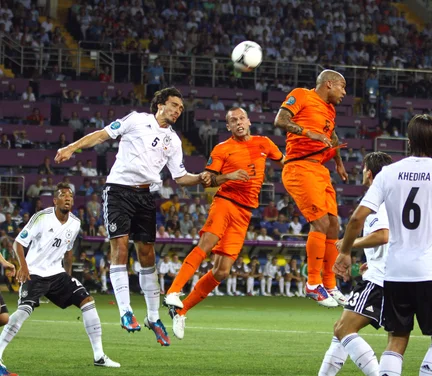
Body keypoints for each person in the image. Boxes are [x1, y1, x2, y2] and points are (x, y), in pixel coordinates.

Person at [334, 115, 432, 376]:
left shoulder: (389, 173)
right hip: (431, 271)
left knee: (396, 341)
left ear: (408, 143)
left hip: (395, 274)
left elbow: (358, 218)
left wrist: (345, 251)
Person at [54, 87, 206, 346]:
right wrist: (72, 146)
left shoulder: (174, 141)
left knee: (147, 256)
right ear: (159, 104)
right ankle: (125, 311)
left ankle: (153, 317)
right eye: (173, 105)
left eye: (181, 108)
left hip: (146, 196)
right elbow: (102, 135)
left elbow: (180, 177)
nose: (177, 110)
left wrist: (202, 177)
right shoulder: (136, 120)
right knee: (120, 249)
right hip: (118, 192)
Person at [282, 152, 392, 376]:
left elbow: (383, 235)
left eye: (364, 169)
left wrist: (348, 244)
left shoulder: (378, 200)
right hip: (382, 274)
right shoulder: (394, 199)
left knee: (344, 329)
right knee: (340, 330)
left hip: (380, 281)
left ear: (369, 173)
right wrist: (373, 258)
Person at [163, 107, 284, 339]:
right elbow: (209, 180)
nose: (238, 122)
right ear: (228, 126)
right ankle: (173, 291)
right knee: (207, 242)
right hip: (225, 202)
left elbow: (285, 162)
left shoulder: (264, 143)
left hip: (245, 212)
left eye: (241, 118)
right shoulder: (222, 149)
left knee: (222, 270)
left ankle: (181, 311)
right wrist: (228, 176)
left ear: (249, 121)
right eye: (232, 120)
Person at [0, 183, 120, 376]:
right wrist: (24, 266)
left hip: (57, 274)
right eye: (63, 196)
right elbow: (18, 243)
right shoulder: (41, 217)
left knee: (88, 302)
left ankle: (99, 355)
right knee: (23, 312)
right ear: (55, 200)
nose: (68, 199)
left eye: (71, 196)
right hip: (35, 273)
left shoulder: (75, 223)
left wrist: (69, 273)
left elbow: (68, 251)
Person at [274, 69, 349, 308]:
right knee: (321, 223)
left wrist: (338, 162)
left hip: (319, 169)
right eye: (342, 87)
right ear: (329, 84)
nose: (344, 93)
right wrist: (308, 132)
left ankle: (329, 283)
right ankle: (313, 284)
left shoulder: (329, 109)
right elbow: (281, 121)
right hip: (299, 167)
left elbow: (332, 135)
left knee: (334, 224)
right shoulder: (302, 96)